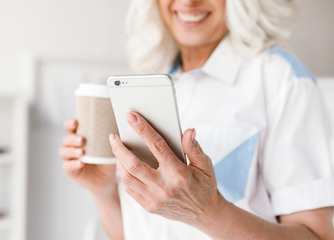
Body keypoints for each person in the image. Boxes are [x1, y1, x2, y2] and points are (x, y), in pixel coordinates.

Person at [59, 0, 334, 239]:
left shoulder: (279, 79)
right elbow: (135, 233)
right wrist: (104, 190)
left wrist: (208, 212)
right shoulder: (150, 79)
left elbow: (317, 236)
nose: (189, 1)